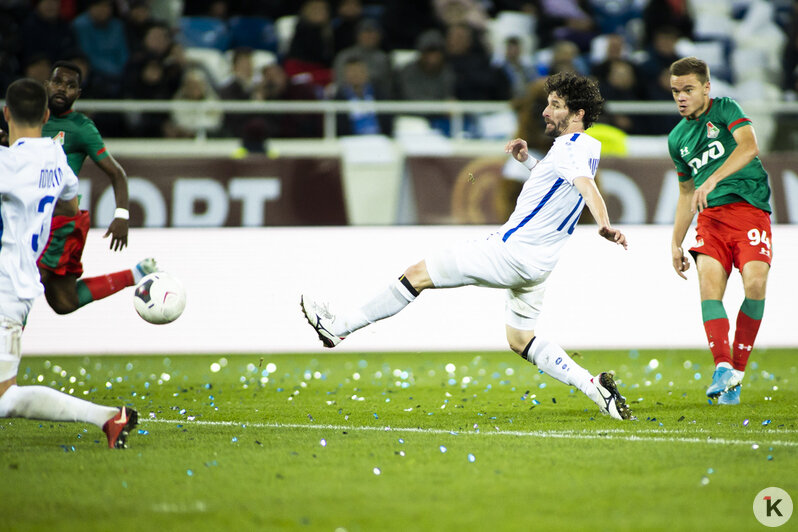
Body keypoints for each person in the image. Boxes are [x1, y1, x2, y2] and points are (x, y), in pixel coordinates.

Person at [302, 71, 633, 421]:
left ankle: (338, 327)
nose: (545, 113)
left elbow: (585, 186)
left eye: (555, 106)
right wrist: (528, 162)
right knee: (521, 340)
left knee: (417, 274)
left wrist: (604, 223)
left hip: (510, 253)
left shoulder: (570, 147)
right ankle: (595, 387)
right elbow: (562, 183)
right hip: (539, 266)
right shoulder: (584, 148)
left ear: (578, 113)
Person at [0, 78, 138, 448]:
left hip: (4, 287)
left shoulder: (6, 165)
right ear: (46, 115)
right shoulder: (56, 160)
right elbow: (67, 206)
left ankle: (108, 417)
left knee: (4, 398)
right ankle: (109, 418)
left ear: (6, 112)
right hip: (20, 286)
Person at [668, 57, 773, 406]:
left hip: (749, 210)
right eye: (675, 92)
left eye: (688, 90)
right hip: (710, 220)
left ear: (706, 88)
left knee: (755, 283)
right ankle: (723, 368)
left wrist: (714, 177)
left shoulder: (726, 109)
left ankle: (737, 374)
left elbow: (749, 146)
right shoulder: (677, 138)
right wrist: (674, 242)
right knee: (709, 287)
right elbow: (685, 193)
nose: (681, 97)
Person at [40, 61, 156, 314]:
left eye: (70, 86)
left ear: (78, 94)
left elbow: (116, 173)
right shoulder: (26, 118)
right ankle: (134, 275)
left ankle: (7, 347)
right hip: (24, 214)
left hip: (58, 220)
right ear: (47, 85)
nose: (62, 89)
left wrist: (121, 215)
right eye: (58, 82)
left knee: (24, 281)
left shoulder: (81, 128)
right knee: (64, 302)